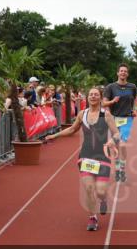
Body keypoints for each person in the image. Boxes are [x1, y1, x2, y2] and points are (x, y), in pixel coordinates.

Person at [47, 87, 120, 231]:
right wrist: (54, 135)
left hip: (102, 156)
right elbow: (72, 129)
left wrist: (112, 141)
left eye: (96, 94)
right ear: (87, 98)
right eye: (91, 94)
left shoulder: (106, 115)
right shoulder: (82, 114)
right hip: (85, 156)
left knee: (100, 191)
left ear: (100, 98)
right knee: (89, 188)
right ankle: (92, 217)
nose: (93, 96)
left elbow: (117, 133)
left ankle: (103, 199)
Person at [103, 64, 137, 183]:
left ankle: (122, 170)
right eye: (121, 71)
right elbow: (104, 103)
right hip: (114, 119)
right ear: (117, 73)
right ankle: (117, 170)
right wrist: (113, 101)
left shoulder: (132, 87)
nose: (123, 73)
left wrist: (134, 110)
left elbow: (135, 100)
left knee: (122, 144)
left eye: (125, 71)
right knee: (116, 146)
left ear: (127, 74)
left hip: (127, 119)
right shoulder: (110, 87)